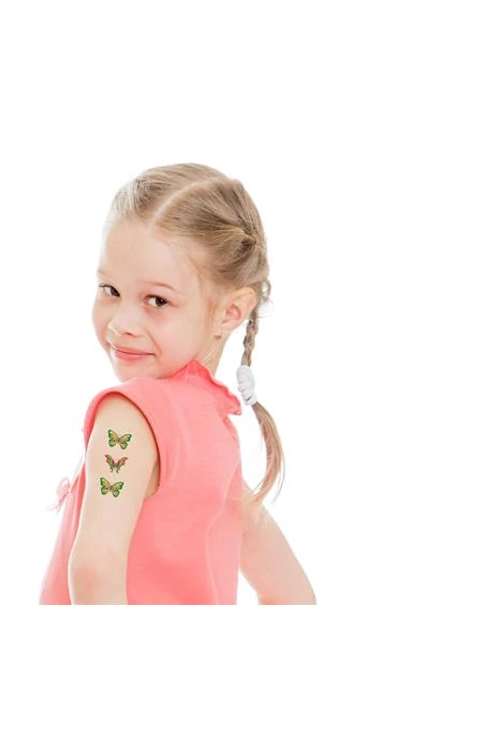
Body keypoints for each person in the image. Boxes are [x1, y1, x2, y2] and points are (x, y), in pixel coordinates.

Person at [38, 163, 316, 605]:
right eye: (110, 290)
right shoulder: (215, 430)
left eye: (157, 300)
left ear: (231, 311)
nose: (122, 323)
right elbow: (292, 593)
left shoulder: (130, 415)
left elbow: (94, 566)